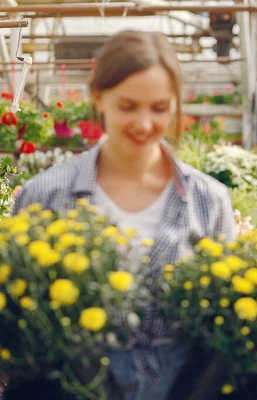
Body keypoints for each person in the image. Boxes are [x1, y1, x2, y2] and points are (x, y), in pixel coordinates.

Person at [8, 30, 236, 399]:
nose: (144, 123)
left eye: (159, 108)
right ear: (99, 97)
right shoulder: (46, 194)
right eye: (128, 106)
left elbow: (225, 325)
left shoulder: (207, 200)